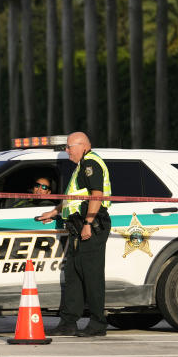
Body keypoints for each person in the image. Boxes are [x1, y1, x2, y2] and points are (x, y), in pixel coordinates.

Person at [36, 131, 112, 337]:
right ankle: (68, 322)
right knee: (74, 275)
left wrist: (88, 222)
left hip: (91, 225)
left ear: (82, 146)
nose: (67, 151)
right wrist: (53, 212)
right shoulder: (80, 166)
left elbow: (97, 195)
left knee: (92, 276)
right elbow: (73, 198)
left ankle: (98, 324)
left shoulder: (90, 164)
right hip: (78, 227)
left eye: (69, 147)